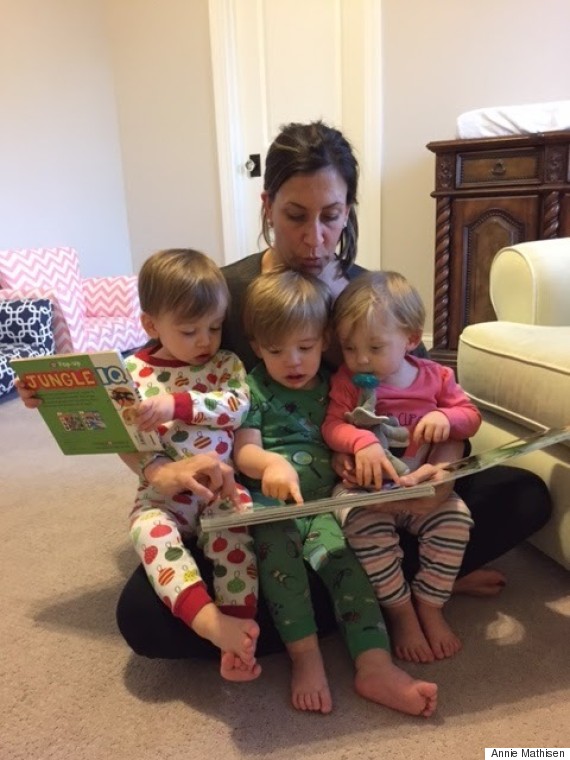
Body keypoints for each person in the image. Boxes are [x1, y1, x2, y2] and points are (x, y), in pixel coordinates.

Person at [17, 121, 551, 662]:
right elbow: (142, 394)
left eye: (332, 216)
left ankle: (385, 582)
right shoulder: (221, 297)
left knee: (525, 493)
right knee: (142, 621)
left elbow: (430, 393)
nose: (315, 238)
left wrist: (442, 469)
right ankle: (403, 582)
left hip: (383, 485)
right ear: (268, 205)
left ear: (349, 209)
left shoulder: (368, 295)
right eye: (296, 216)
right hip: (259, 507)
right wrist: (64, 396)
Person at [232, 268, 437, 716]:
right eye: (275, 350)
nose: (293, 361)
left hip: (329, 504)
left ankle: (375, 666)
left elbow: (347, 431)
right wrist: (270, 462)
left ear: (324, 341)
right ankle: (306, 658)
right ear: (255, 348)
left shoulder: (337, 383)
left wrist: (349, 457)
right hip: (273, 508)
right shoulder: (252, 387)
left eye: (305, 348)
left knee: (349, 567)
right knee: (279, 563)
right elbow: (244, 451)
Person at [113, 248, 261, 680]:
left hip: (221, 490)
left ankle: (238, 638)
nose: (205, 341)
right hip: (163, 494)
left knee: (237, 536)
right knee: (148, 531)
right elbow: (123, 438)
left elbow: (236, 406)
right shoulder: (132, 371)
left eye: (215, 327)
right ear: (151, 325)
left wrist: (177, 403)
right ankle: (212, 625)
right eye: (190, 330)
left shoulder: (225, 364)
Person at [322, 270, 481, 664]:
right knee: (360, 529)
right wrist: (360, 443)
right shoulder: (349, 381)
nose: (360, 359)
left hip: (423, 488)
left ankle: (430, 603)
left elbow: (471, 415)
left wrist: (448, 420)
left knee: (457, 519)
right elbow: (332, 424)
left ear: (411, 339)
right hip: (365, 490)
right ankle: (402, 612)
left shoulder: (436, 376)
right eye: (349, 347)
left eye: (375, 348)